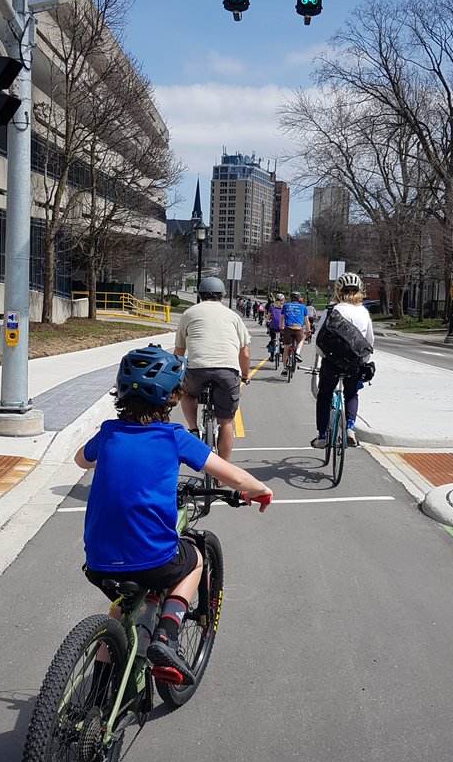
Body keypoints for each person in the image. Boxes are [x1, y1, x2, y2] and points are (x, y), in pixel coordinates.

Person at [75, 346, 272, 682]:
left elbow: (81, 459)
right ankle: (167, 635)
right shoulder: (173, 437)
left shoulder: (109, 433)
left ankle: (92, 698)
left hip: (97, 560)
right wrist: (259, 489)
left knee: (122, 608)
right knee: (193, 558)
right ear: (172, 397)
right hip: (154, 559)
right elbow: (231, 475)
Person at [174, 276, 252, 461]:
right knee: (226, 423)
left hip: (197, 369)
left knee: (188, 393)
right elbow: (246, 353)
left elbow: (179, 352)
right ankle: (221, 474)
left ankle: (193, 429)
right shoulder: (233, 316)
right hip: (228, 371)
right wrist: (245, 375)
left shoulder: (189, 313)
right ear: (223, 295)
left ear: (200, 295)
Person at [311, 272, 375, 448]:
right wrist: (364, 361)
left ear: (338, 290)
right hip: (354, 363)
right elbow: (369, 341)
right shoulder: (364, 312)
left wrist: (323, 356)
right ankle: (350, 428)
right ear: (359, 291)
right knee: (351, 393)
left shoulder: (333, 310)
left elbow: (319, 339)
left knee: (324, 395)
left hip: (332, 362)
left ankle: (322, 436)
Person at [280, 290, 310, 374]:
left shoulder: (285, 306)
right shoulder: (303, 307)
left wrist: (281, 327)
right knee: (301, 340)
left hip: (288, 328)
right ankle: (297, 352)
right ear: (299, 298)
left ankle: (285, 368)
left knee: (286, 348)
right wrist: (308, 330)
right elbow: (306, 320)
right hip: (298, 328)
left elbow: (282, 318)